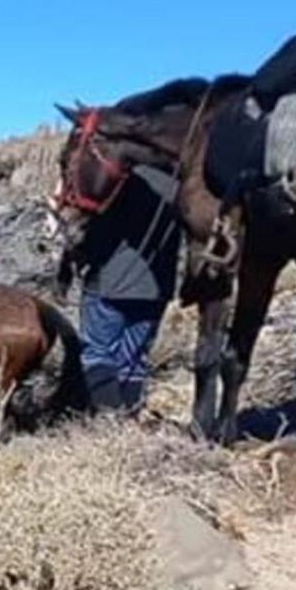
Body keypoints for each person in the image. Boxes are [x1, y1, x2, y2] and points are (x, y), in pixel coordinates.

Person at [58, 165, 184, 413]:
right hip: (157, 286)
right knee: (134, 361)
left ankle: (110, 422)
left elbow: (85, 225)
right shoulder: (179, 179)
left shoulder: (118, 176)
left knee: (97, 353)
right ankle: (128, 418)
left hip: (109, 278)